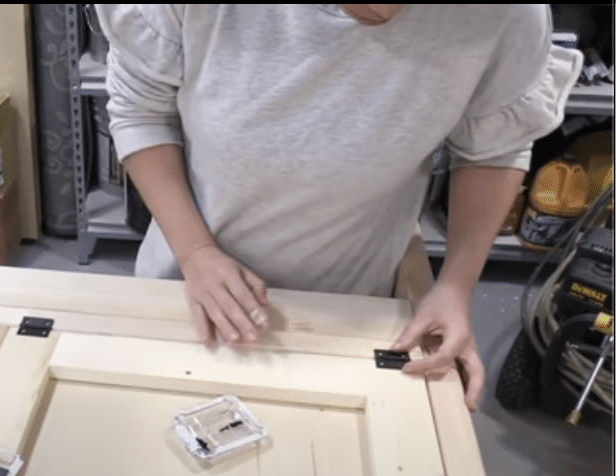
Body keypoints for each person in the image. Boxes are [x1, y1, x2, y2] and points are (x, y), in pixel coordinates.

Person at [94, 4, 583, 411]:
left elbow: (494, 147)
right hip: (190, 291)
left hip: (356, 312)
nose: (386, 13)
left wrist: (455, 285)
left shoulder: (506, 12)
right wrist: (196, 251)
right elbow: (141, 109)